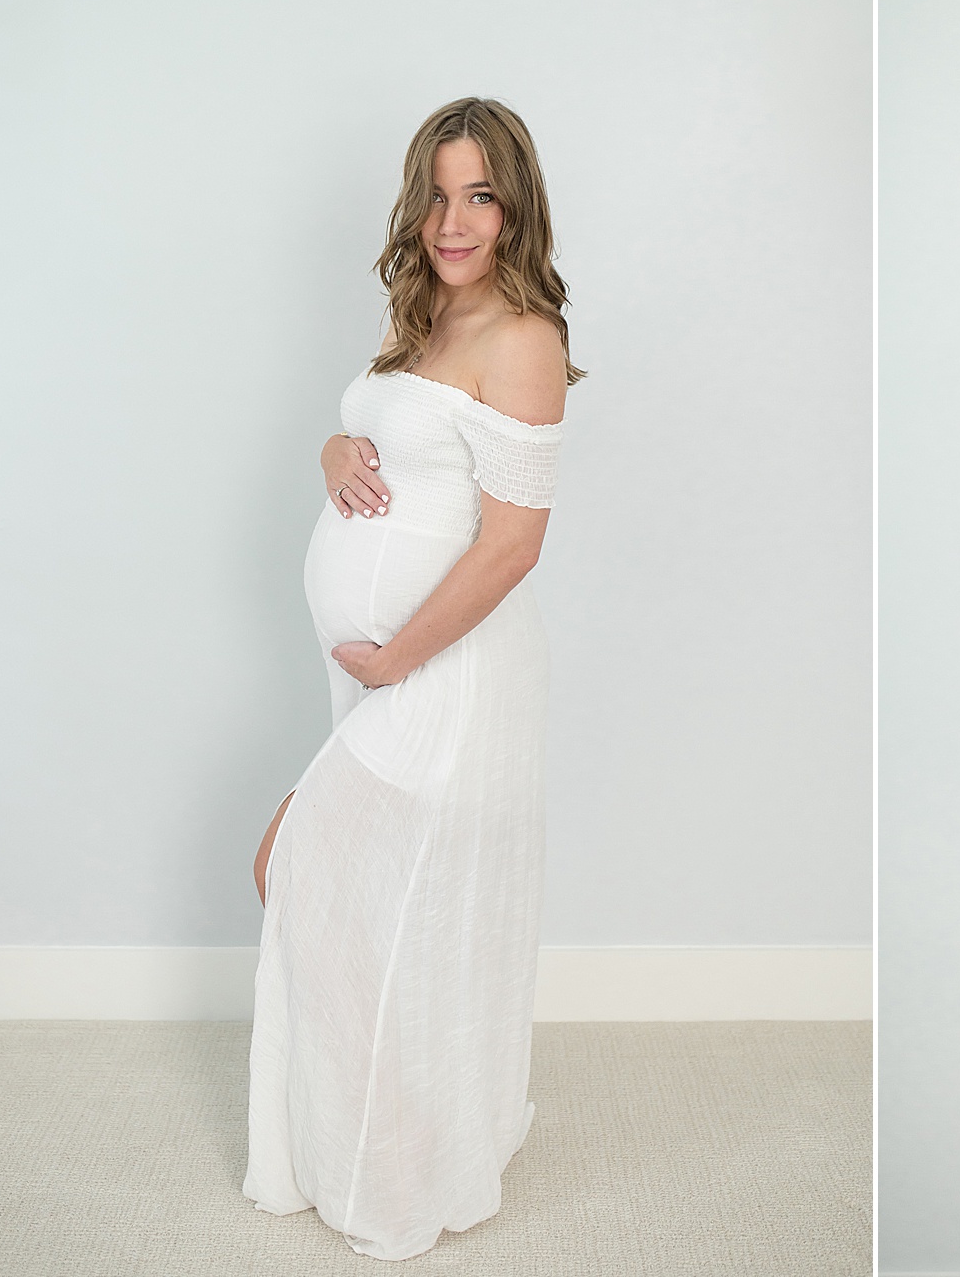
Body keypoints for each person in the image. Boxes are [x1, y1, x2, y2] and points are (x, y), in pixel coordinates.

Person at [241, 96, 581, 1261]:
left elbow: (513, 542)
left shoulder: (522, 335)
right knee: (349, 895)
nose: (452, 219)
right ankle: (376, 1140)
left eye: (478, 194)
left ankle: (401, 1165)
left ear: (514, 204)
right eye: (437, 193)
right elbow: (385, 445)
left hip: (448, 671)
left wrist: (395, 656)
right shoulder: (425, 313)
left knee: (328, 875)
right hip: (384, 675)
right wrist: (335, 448)